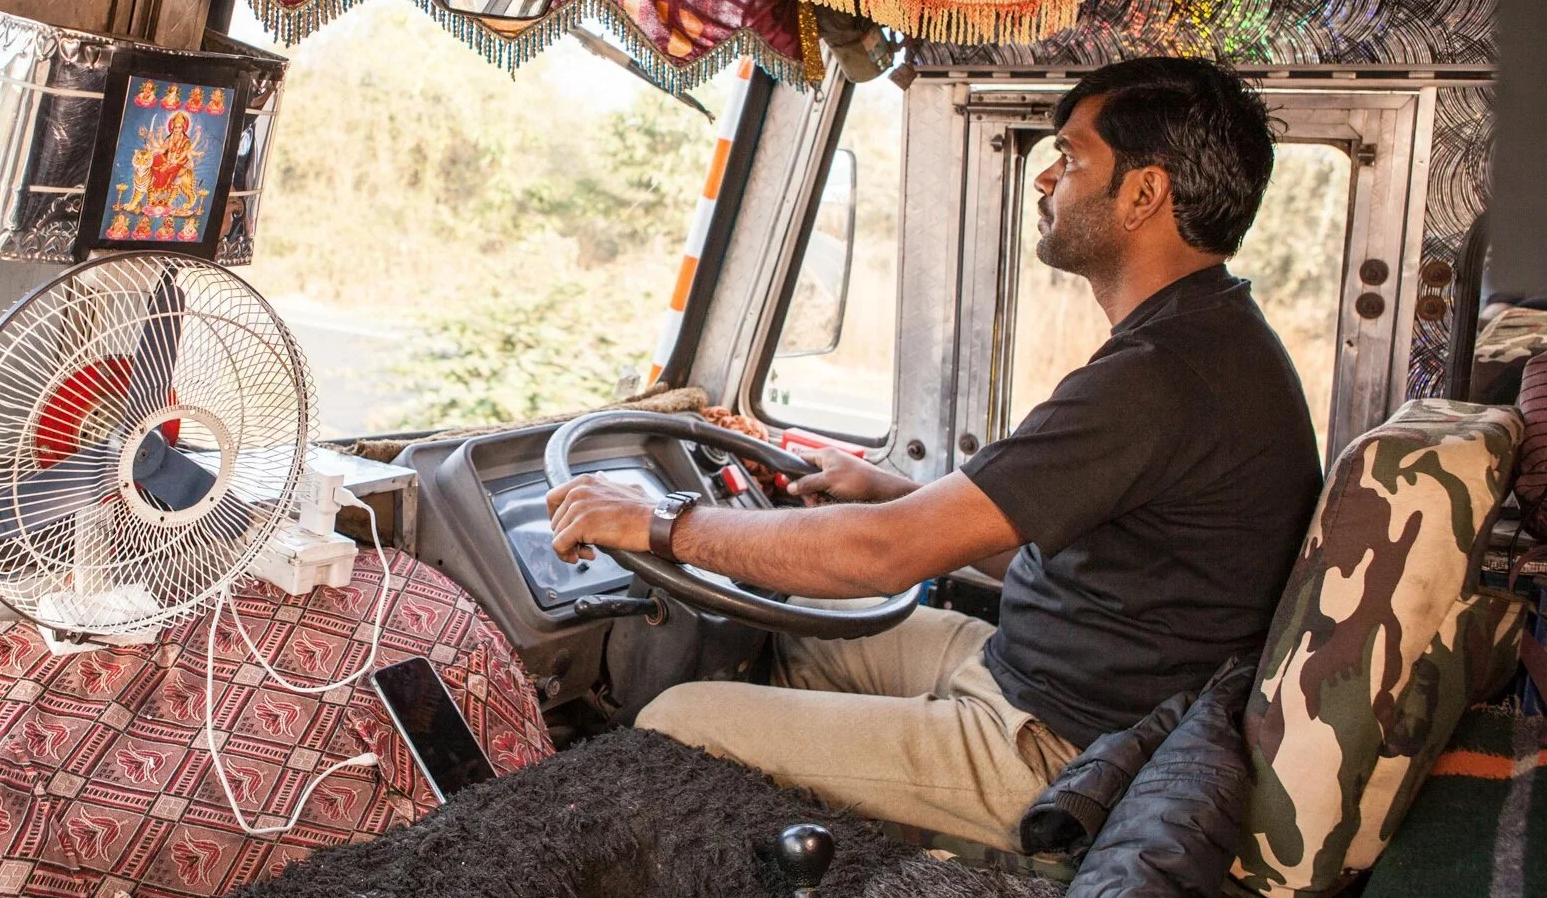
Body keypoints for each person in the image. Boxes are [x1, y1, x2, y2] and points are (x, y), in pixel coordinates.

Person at [546, 57, 1324, 848]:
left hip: (1066, 748)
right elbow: (1026, 535)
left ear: (1145, 193)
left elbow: (884, 558)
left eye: (1072, 156)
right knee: (805, 631)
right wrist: (886, 489)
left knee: (674, 720)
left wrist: (657, 522)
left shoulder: (1162, 375)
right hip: (1040, 674)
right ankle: (846, 876)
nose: (1046, 178)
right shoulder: (1208, 337)